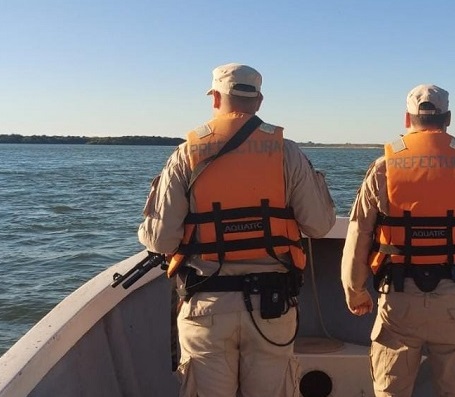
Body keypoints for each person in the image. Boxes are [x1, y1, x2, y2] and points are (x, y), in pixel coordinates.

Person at [138, 63, 336, 397]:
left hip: (207, 305)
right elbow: (319, 225)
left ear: (216, 97)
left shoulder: (187, 153)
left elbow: (160, 240)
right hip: (272, 306)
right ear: (258, 101)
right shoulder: (287, 152)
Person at [340, 84, 455, 397]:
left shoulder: (383, 167)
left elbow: (358, 234)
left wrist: (355, 291)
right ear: (447, 118)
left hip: (398, 299)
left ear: (408, 120)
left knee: (391, 391)